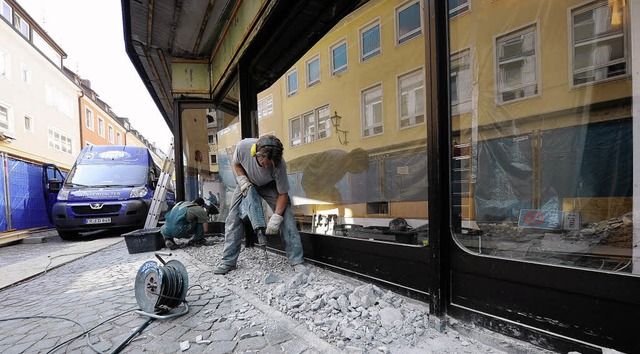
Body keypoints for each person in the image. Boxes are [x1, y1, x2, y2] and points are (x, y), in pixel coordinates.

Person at [214, 135, 304, 274]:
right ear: (255, 153)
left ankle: (296, 260)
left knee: (287, 218)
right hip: (246, 182)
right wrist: (242, 179)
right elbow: (236, 164)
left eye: (271, 164)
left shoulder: (279, 165)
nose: (268, 166)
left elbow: (283, 194)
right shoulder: (243, 147)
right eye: (265, 162)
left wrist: (276, 218)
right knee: (233, 219)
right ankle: (228, 261)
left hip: (270, 186)